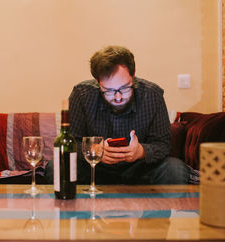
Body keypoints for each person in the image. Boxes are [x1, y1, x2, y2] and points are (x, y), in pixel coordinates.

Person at [67, 45, 192, 185]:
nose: (118, 97)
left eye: (125, 88)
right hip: (95, 168)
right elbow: (70, 142)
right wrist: (93, 150)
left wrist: (141, 151)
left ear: (133, 76)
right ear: (97, 82)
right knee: (57, 166)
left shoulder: (152, 94)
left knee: (175, 169)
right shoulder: (82, 94)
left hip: (139, 168)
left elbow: (164, 145)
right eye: (108, 90)